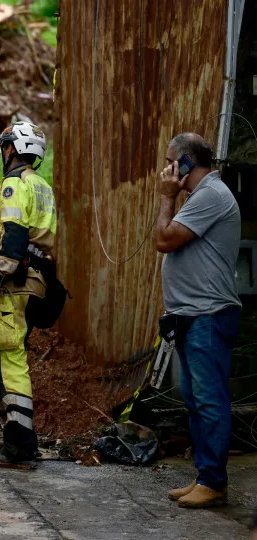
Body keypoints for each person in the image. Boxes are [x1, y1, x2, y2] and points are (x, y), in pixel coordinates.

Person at [156, 133, 240, 509]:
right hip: (192, 314)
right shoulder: (200, 196)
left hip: (208, 314)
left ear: (186, 162)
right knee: (194, 400)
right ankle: (206, 475)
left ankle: (213, 482)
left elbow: (164, 239)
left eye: (171, 162)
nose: (166, 169)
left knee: (209, 400)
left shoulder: (210, 195)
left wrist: (166, 197)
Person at [0, 121, 56, 470]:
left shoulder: (14, 185)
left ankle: (19, 445)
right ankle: (21, 439)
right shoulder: (39, 185)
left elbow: (15, 239)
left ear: (10, 149)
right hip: (36, 281)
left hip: (14, 282)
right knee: (9, 358)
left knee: (6, 363)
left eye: (4, 146)